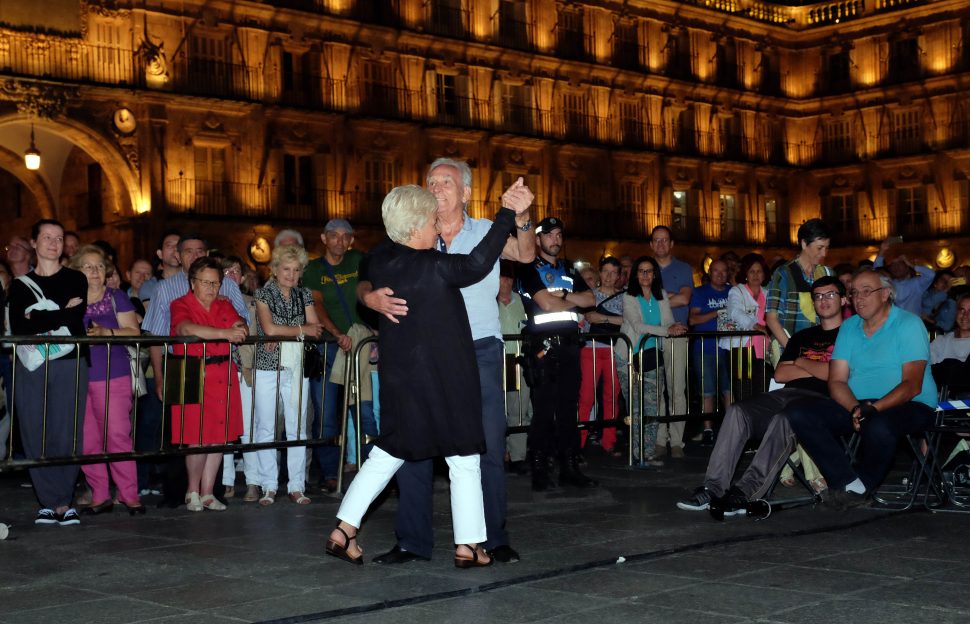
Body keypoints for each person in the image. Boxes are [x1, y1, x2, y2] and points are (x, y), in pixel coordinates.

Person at [325, 185, 523, 567]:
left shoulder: (384, 264)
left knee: (386, 453)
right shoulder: (435, 266)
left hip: (402, 380)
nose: (437, 226)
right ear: (416, 224)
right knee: (463, 456)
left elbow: (364, 277)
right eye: (432, 220)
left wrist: (366, 296)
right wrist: (505, 215)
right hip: (448, 378)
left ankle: (344, 528)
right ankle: (468, 546)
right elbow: (479, 262)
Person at [677, 276, 846, 514]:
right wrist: (812, 366)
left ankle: (745, 492)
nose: (823, 300)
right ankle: (713, 488)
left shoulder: (850, 335)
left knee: (785, 419)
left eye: (830, 295)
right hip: (788, 394)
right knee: (738, 411)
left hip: (824, 401)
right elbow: (781, 374)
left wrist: (800, 362)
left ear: (844, 299)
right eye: (817, 296)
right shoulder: (802, 336)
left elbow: (835, 373)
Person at [786, 268, 938, 509]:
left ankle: (862, 486)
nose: (858, 298)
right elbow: (836, 380)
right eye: (854, 292)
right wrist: (856, 408)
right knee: (798, 412)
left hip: (911, 405)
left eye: (867, 291)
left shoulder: (908, 324)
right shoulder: (849, 328)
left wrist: (873, 409)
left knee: (879, 424)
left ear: (886, 294)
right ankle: (848, 482)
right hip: (860, 405)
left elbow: (912, 384)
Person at [8, 219, 87, 526]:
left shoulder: (75, 278)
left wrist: (40, 316)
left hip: (70, 362)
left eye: (59, 238)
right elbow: (21, 327)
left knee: (66, 429)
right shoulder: (19, 285)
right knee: (34, 428)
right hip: (31, 364)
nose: (54, 243)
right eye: (47, 237)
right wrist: (60, 314)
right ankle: (46, 499)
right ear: (34, 242)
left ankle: (63, 501)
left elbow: (76, 318)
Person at [516, 216, 597, 491]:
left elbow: (590, 299)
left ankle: (569, 467)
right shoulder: (527, 269)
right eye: (549, 235)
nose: (555, 239)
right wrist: (565, 298)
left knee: (567, 411)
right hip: (543, 350)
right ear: (537, 239)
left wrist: (564, 296)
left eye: (559, 234)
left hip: (570, 348)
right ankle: (539, 469)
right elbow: (546, 305)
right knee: (543, 411)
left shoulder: (570, 271)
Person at [67, 245, 144, 515]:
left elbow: (134, 332)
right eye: (88, 266)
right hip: (76, 375)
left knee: (118, 436)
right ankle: (100, 495)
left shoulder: (116, 297)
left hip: (113, 374)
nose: (95, 271)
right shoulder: (68, 299)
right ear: (76, 271)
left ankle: (129, 494)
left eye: (99, 266)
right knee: (87, 439)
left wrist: (105, 331)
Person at [169, 257, 248, 512]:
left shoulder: (223, 305)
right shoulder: (179, 304)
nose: (211, 288)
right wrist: (225, 333)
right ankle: (191, 490)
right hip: (189, 370)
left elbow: (239, 324)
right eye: (206, 282)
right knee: (194, 436)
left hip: (222, 370)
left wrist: (239, 326)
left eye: (216, 283)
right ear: (193, 283)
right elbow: (184, 329)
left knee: (219, 437)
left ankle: (208, 492)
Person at [302, 218, 370, 493]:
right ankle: (330, 471)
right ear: (323, 238)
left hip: (360, 344)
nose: (340, 241)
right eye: (334, 236)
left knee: (364, 408)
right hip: (328, 347)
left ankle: (371, 468)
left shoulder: (360, 261)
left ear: (351, 240)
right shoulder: (314, 269)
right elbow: (316, 304)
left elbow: (370, 293)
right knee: (326, 411)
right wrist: (335, 334)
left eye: (345, 237)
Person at [251, 244, 323, 506]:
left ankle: (296, 485)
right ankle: (268, 485)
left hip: (297, 365)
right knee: (266, 426)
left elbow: (316, 330)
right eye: (286, 269)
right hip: (267, 365)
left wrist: (285, 332)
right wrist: (297, 330)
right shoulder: (263, 293)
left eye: (296, 270)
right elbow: (269, 330)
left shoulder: (304, 294)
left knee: (298, 426)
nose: (291, 275)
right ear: (275, 269)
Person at [620, 256, 687, 465]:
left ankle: (647, 454)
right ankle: (636, 452)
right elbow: (638, 326)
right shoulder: (629, 297)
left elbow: (667, 321)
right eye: (641, 271)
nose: (645, 275)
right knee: (636, 407)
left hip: (652, 354)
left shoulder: (661, 295)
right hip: (629, 356)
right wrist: (667, 330)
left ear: (655, 274)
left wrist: (672, 327)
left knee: (652, 407)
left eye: (649, 271)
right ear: (635, 274)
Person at [648, 226, 693, 457]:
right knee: (656, 389)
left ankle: (676, 441)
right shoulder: (645, 270)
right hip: (653, 335)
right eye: (657, 240)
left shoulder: (684, 268)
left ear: (672, 243)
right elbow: (641, 302)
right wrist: (669, 299)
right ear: (651, 244)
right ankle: (658, 439)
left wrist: (656, 301)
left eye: (665, 240)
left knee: (677, 389)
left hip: (677, 335)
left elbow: (685, 298)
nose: (661, 244)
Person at [765, 218, 833, 366]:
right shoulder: (783, 274)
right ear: (804, 244)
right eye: (819, 248)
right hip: (789, 353)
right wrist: (793, 351)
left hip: (820, 353)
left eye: (827, 248)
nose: (824, 253)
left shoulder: (827, 273)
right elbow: (771, 318)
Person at [578, 256, 624, 455]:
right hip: (590, 349)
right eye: (606, 271)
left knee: (611, 396)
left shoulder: (624, 297)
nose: (609, 276)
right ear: (600, 273)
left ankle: (609, 441)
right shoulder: (589, 295)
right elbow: (584, 319)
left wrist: (603, 318)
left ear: (618, 276)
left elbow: (628, 319)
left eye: (613, 272)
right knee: (586, 397)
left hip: (614, 350)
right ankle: (578, 443)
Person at [688, 259, 731, 445]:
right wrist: (718, 312)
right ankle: (708, 429)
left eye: (723, 271)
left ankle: (732, 428)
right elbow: (693, 320)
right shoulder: (700, 292)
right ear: (709, 273)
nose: (720, 274)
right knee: (708, 390)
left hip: (729, 348)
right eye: (716, 271)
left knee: (729, 390)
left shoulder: (734, 292)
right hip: (704, 348)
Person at [718, 253, 772, 401]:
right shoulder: (737, 291)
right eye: (751, 271)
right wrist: (755, 325)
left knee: (762, 391)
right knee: (743, 392)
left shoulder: (768, 294)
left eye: (759, 271)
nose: (756, 274)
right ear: (745, 274)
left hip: (764, 351)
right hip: (742, 349)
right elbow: (735, 311)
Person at [498, 262, 531, 473]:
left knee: (519, 410)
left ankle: (518, 456)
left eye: (509, 278)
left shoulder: (523, 302)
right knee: (497, 411)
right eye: (502, 277)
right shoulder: (486, 303)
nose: (506, 282)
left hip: (517, 361)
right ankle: (499, 453)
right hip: (496, 362)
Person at [873, 239, 935, 317]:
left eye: (900, 264)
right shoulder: (890, 283)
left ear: (906, 266)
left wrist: (911, 264)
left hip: (912, 324)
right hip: (894, 325)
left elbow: (931, 274)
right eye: (893, 265)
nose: (896, 267)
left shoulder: (916, 284)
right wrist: (882, 250)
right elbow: (876, 272)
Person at [139, 230, 182, 306]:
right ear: (160, 254)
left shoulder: (194, 282)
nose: (175, 249)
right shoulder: (151, 286)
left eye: (179, 246)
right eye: (169, 246)